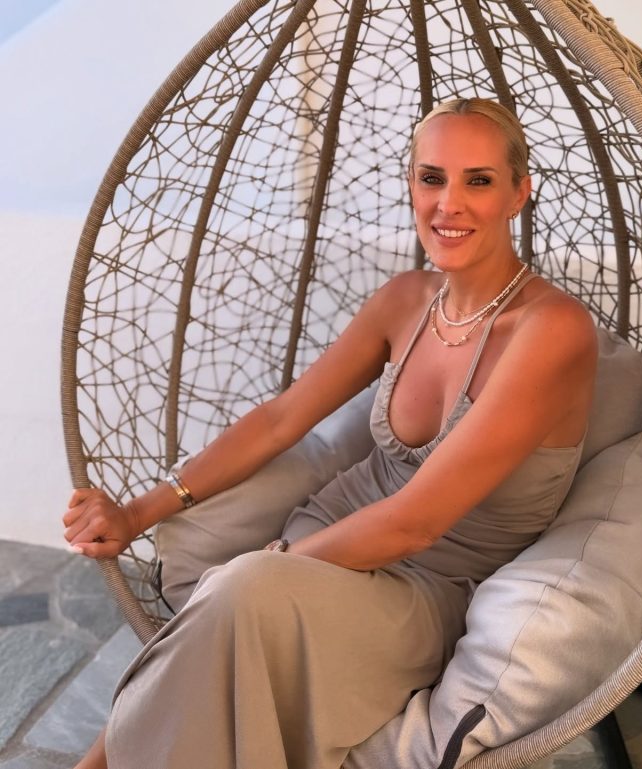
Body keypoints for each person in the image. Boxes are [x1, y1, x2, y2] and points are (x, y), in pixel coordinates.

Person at [63, 97, 597, 769]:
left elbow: (415, 524)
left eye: (479, 181)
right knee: (229, 619)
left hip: (427, 589)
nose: (449, 203)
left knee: (234, 600)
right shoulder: (405, 300)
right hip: (323, 536)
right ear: (412, 184)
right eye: (432, 178)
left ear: (519, 192)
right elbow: (282, 418)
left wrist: (272, 566)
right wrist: (137, 514)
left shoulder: (553, 331)